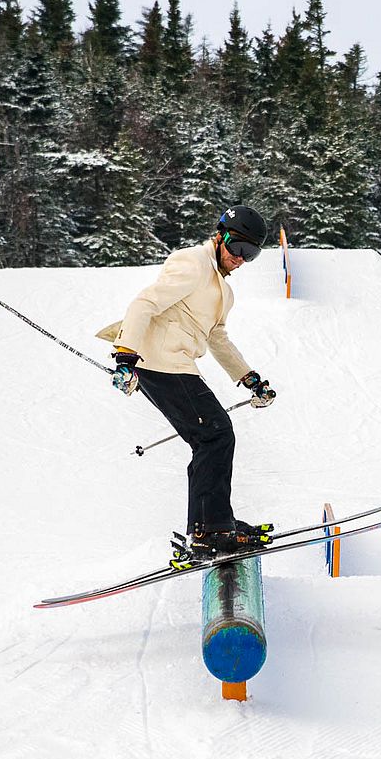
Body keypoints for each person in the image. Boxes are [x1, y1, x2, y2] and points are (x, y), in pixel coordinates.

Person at [96, 205, 276, 560]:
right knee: (215, 434)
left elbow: (218, 338)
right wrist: (126, 354)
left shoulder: (223, 291)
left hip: (175, 364)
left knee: (209, 438)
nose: (241, 259)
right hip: (159, 361)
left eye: (251, 254)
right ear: (220, 236)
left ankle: (208, 525)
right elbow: (144, 303)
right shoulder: (193, 263)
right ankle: (212, 530)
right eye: (238, 248)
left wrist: (249, 378)